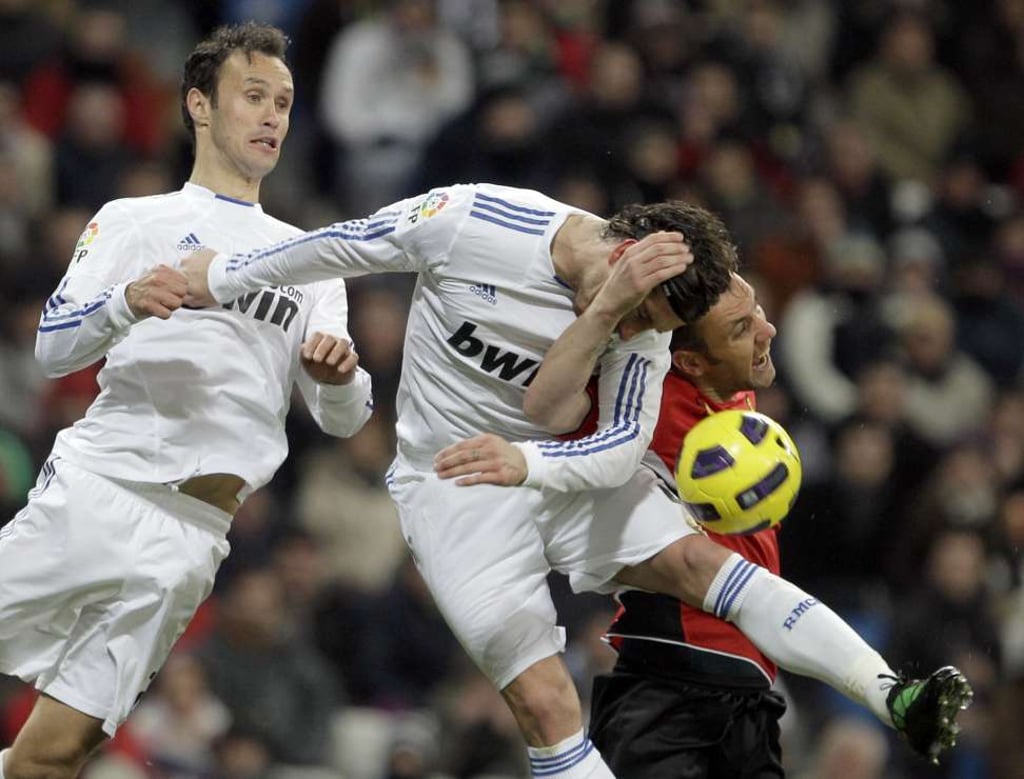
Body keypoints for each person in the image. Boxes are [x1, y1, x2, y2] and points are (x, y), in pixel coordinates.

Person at [181, 190, 733, 778]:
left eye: (651, 325)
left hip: (556, 477)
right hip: (450, 491)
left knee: (700, 576)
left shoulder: (641, 330)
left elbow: (612, 437)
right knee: (544, 704)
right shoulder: (476, 222)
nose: (634, 330)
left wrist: (530, 463)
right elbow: (351, 241)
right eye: (641, 313)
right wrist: (223, 276)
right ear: (626, 255)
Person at [0, 23, 372, 779]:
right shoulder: (135, 221)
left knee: (59, 752)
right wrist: (126, 303)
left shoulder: (310, 259)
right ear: (199, 105)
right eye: (254, 96)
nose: (273, 116)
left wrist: (341, 381)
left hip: (193, 536)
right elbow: (50, 349)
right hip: (98, 492)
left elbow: (345, 418)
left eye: (285, 103)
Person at [553, 272, 971, 775]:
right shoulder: (638, 401)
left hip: (753, 692)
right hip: (666, 683)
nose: (768, 331)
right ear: (687, 360)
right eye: (740, 328)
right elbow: (550, 399)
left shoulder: (735, 383)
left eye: (758, 313)